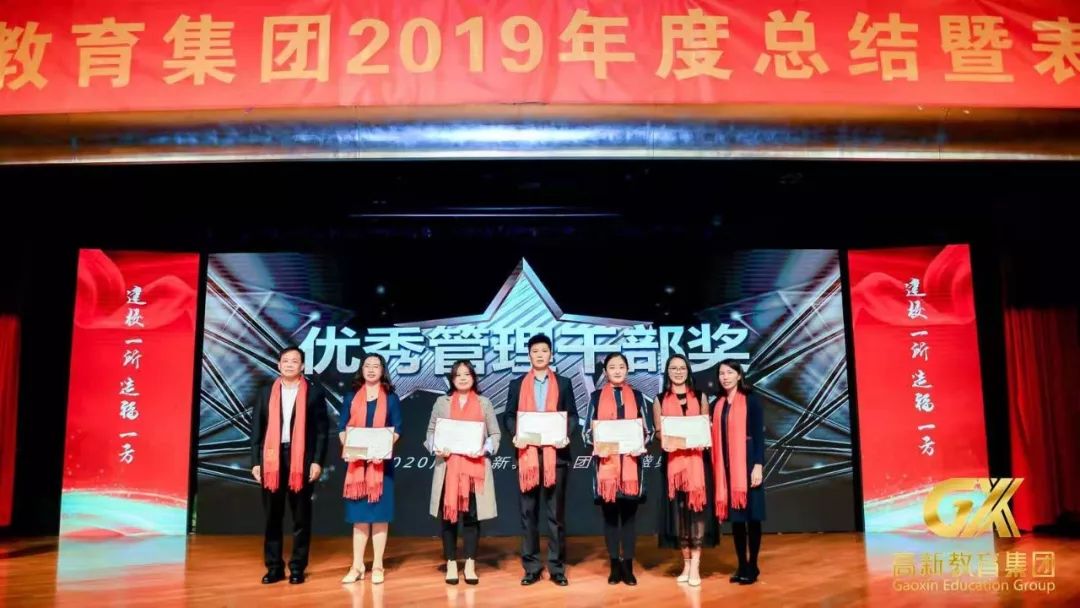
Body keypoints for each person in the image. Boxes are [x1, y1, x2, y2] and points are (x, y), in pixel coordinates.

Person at [249, 345, 329, 585]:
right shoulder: (265, 393)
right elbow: (256, 430)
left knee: (301, 518)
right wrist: (256, 462)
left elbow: (322, 432)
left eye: (295, 361)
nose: (290, 364)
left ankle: (297, 567)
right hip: (271, 459)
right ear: (279, 365)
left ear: (302, 366)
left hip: (301, 460)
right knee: (272, 517)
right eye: (286, 361)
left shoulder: (314, 393)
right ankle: (274, 567)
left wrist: (317, 461)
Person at [503, 334, 579, 586]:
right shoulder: (517, 385)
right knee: (528, 514)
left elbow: (572, 416)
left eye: (544, 350)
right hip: (527, 456)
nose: (539, 355)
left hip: (555, 456)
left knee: (555, 516)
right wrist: (515, 434)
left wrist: (565, 434)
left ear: (551, 354)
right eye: (535, 351)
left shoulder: (564, 383)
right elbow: (509, 416)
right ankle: (532, 567)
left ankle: (556, 568)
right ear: (529, 355)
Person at [582, 352, 654, 586]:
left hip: (632, 466)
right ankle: (614, 565)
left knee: (630, 520)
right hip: (606, 468)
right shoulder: (595, 397)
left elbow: (650, 430)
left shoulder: (638, 396)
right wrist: (599, 444)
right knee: (611, 518)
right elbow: (586, 432)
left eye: (621, 366)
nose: (617, 371)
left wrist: (640, 442)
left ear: (627, 370)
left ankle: (628, 566)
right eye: (612, 367)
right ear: (605, 372)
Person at [426, 360, 501, 585]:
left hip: (474, 469)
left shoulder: (484, 403)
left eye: (466, 374)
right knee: (448, 518)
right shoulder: (442, 402)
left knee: (471, 518)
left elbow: (495, 434)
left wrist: (484, 449)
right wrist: (436, 446)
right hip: (448, 468)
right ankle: (451, 562)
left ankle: (469, 563)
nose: (462, 378)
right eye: (458, 375)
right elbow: (431, 431)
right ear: (452, 379)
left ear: (473, 378)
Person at [654, 354, 719, 587]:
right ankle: (686, 563)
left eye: (682, 368)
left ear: (688, 371)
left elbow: (705, 426)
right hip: (673, 465)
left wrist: (703, 435)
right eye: (673, 368)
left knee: (697, 513)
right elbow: (659, 431)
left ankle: (696, 566)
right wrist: (666, 440)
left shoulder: (701, 397)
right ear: (668, 372)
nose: (678, 371)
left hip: (697, 463)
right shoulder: (659, 399)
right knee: (679, 514)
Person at [339, 354, 402, 585]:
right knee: (360, 518)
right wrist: (350, 448)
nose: (372, 370)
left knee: (380, 517)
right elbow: (342, 428)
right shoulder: (351, 397)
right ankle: (357, 566)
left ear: (383, 371)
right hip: (356, 466)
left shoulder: (391, 398)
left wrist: (380, 449)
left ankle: (377, 565)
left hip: (381, 466)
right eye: (368, 366)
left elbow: (397, 429)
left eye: (376, 366)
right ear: (362, 369)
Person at [711, 359, 766, 585]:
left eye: (729, 372)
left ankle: (753, 564)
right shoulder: (718, 404)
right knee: (737, 521)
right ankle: (741, 564)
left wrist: (758, 465)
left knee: (752, 519)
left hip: (748, 463)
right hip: (727, 467)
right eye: (721, 373)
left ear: (739, 375)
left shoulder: (751, 400)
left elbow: (759, 436)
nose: (725, 377)